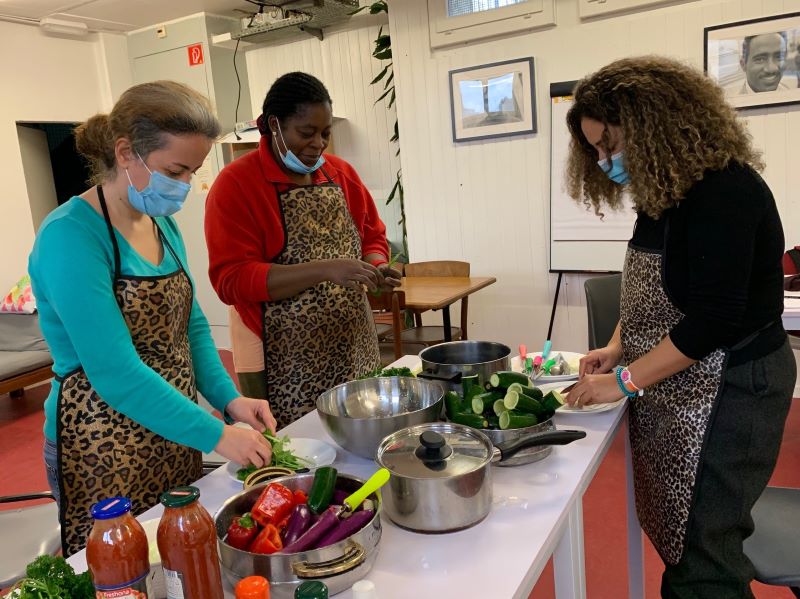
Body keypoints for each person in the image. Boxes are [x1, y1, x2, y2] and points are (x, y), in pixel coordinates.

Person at [563, 56, 794, 598]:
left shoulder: (725, 193)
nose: (603, 162)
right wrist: (618, 346)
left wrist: (621, 383)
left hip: (734, 386)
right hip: (687, 380)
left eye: (611, 146)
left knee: (704, 553)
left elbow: (713, 319)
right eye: (594, 150)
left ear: (656, 130)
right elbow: (653, 289)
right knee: (682, 535)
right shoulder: (663, 190)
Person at [28, 81, 277, 556]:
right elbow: (115, 374)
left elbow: (192, 326)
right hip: (100, 442)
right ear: (126, 153)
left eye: (193, 172)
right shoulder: (71, 237)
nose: (184, 186)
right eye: (175, 170)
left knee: (180, 557)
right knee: (123, 569)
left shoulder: (160, 221)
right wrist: (218, 436)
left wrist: (229, 401)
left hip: (172, 427)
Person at [205, 72, 399, 430]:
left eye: (325, 133)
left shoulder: (341, 174)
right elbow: (230, 281)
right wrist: (325, 270)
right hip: (280, 357)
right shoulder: (237, 184)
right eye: (306, 133)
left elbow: (372, 233)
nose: (318, 144)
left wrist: (376, 265)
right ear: (274, 125)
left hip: (352, 342)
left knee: (361, 433)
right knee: (297, 446)